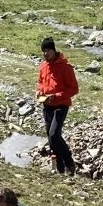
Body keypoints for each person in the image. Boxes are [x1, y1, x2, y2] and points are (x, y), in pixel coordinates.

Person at [37, 38, 79, 176]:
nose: (45, 53)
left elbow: (74, 89)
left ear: (54, 50)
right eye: (44, 51)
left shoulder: (65, 67)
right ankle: (59, 168)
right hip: (46, 105)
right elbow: (40, 82)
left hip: (61, 105)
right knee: (50, 138)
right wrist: (40, 91)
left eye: (48, 50)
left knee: (54, 135)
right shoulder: (43, 66)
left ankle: (69, 163)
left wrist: (56, 96)